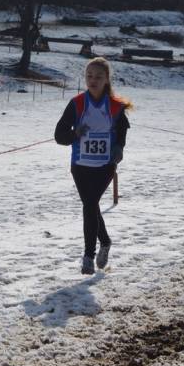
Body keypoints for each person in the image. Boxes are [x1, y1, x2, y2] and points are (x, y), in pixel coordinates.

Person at [53, 57, 131, 274]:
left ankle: (88, 255)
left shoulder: (115, 107)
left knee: (89, 204)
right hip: (80, 165)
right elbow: (59, 135)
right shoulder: (77, 103)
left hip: (105, 166)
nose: (93, 80)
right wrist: (74, 134)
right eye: (89, 76)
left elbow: (122, 132)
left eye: (98, 77)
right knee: (91, 205)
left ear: (106, 79)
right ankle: (105, 242)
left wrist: (119, 149)